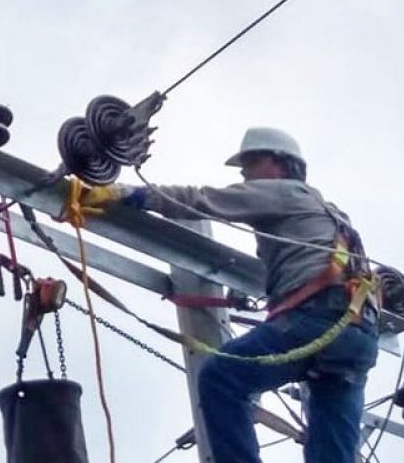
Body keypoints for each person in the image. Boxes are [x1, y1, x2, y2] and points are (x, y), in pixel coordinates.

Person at [87, 127, 379, 463]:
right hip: (357, 337)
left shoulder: (285, 192)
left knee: (221, 377)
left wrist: (124, 194)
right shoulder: (333, 215)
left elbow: (201, 201)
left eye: (252, 162)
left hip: (317, 320)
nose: (244, 172)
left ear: (281, 165)